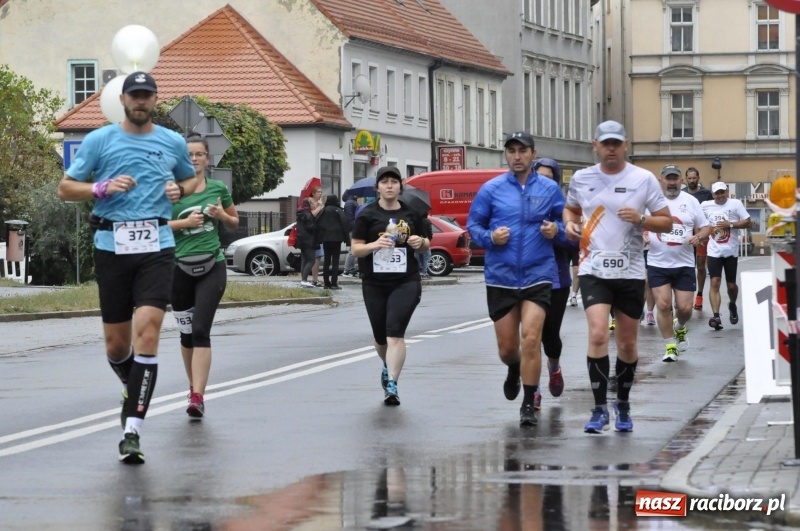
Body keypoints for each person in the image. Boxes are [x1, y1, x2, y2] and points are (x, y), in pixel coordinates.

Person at [57, 71, 197, 464]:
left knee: (148, 332)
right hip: (111, 245)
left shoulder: (171, 141)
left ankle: (132, 430)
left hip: (157, 245)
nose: (140, 101)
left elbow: (191, 181)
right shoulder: (100, 140)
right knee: (118, 346)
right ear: (123, 100)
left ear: (156, 100)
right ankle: (131, 384)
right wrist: (99, 188)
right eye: (134, 95)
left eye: (147, 96)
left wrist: (178, 190)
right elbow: (65, 189)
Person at [563, 120, 672, 434]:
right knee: (598, 335)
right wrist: (570, 225)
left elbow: (667, 222)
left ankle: (622, 403)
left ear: (625, 145)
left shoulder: (643, 179)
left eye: (616, 143)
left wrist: (642, 218)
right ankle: (599, 409)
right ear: (594, 145)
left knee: (626, 343)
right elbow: (570, 210)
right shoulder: (582, 178)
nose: (611, 149)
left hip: (630, 272)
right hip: (593, 269)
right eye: (605, 143)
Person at [467, 133, 565, 427]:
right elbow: (474, 226)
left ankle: (528, 403)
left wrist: (555, 231)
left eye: (523, 151)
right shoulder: (491, 189)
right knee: (508, 349)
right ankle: (513, 367)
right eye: (512, 151)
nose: (517, 156)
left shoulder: (549, 189)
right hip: (502, 277)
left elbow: (568, 224)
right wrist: (490, 237)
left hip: (538, 274)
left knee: (532, 339)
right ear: (506, 155)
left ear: (533, 154)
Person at [168, 135, 239, 417]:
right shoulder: (170, 191)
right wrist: (185, 222)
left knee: (200, 330)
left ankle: (198, 396)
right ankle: (192, 386)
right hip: (177, 268)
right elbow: (156, 226)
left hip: (212, 265)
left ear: (208, 158)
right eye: (189, 154)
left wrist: (221, 215)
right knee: (186, 335)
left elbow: (234, 223)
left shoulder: (219, 188)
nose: (194, 158)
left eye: (199, 154)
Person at [351, 166, 431, 406]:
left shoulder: (412, 213)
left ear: (400, 187)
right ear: (377, 187)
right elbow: (356, 249)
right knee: (380, 336)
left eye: (393, 182)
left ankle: (393, 384)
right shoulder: (366, 215)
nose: (389, 186)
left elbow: (427, 243)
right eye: (384, 182)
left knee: (395, 332)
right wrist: (375, 245)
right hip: (374, 282)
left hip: (405, 280)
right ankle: (387, 364)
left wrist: (420, 242)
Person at [645, 165, 710, 362]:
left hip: (683, 264)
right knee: (663, 305)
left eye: (675, 178)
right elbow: (638, 223)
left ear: (681, 181)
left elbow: (706, 227)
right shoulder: (651, 202)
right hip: (658, 263)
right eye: (668, 178)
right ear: (661, 181)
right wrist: (644, 234)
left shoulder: (690, 201)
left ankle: (679, 327)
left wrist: (699, 236)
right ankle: (670, 346)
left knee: (684, 309)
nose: (672, 182)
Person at [532, 157, 575, 404]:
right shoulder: (524, 204)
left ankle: (554, 367)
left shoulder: (564, 206)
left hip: (556, 280)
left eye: (549, 178)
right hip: (527, 278)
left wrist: (557, 232)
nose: (544, 182)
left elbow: (575, 241)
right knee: (531, 335)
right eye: (540, 177)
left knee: (550, 336)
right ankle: (533, 387)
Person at [701, 182, 752, 330]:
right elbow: (696, 218)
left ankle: (732, 304)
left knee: (731, 285)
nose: (720, 195)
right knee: (715, 282)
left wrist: (730, 225)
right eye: (717, 193)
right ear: (713, 194)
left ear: (727, 192)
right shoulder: (705, 205)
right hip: (714, 251)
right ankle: (716, 317)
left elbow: (748, 222)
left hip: (730, 251)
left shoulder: (735, 204)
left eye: (722, 192)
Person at [684, 167, 714, 310]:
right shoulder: (682, 194)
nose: (692, 180)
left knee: (701, 267)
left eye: (694, 178)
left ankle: (699, 295)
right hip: (686, 236)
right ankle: (684, 297)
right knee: (686, 267)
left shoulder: (706, 194)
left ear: (698, 178)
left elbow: (713, 212)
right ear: (685, 179)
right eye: (689, 178)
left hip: (701, 236)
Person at [317, 194, 349, 289]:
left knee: (327, 260)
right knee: (335, 261)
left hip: (326, 238)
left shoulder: (324, 210)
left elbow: (318, 223)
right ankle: (334, 283)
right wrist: (347, 239)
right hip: (337, 239)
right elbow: (345, 224)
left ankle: (326, 283)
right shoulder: (338, 210)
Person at [295, 193, 324, 288]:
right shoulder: (308, 215)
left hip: (302, 240)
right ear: (308, 205)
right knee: (311, 260)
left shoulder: (301, 213)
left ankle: (303, 279)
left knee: (304, 259)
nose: (314, 204)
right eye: (312, 203)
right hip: (308, 240)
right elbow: (311, 227)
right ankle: (304, 280)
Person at [342, 194, 359, 277]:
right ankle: (347, 269)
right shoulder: (351, 203)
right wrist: (356, 226)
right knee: (352, 249)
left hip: (352, 228)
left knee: (352, 249)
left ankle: (351, 268)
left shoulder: (350, 202)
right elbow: (350, 218)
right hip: (353, 228)